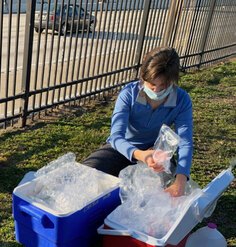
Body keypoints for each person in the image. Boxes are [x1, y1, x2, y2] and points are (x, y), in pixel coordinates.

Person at [82, 46, 193, 197]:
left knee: (164, 191)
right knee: (88, 172)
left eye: (163, 86)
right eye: (151, 85)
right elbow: (116, 137)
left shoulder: (182, 100)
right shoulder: (128, 94)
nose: (156, 91)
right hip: (122, 148)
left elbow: (185, 142)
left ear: (173, 81)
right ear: (143, 77)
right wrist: (141, 155)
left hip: (156, 153)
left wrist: (180, 182)